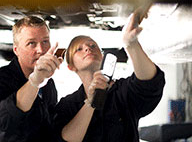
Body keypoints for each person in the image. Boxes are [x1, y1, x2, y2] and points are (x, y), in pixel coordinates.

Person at [54, 12, 165, 142]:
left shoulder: (122, 91)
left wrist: (131, 44)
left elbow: (150, 84)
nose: (88, 49)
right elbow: (65, 139)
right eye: (79, 49)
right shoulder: (68, 104)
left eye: (92, 46)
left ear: (102, 57)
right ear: (71, 67)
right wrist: (91, 102)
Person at [0, 16, 63, 142]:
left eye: (45, 41)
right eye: (31, 43)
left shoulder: (48, 83)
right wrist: (35, 81)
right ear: (16, 49)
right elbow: (3, 121)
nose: (41, 50)